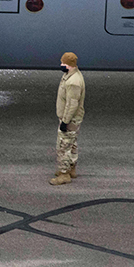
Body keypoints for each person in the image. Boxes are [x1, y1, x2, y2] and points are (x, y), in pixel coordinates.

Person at [51, 52, 86, 186]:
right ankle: (71, 169)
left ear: (69, 65)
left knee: (63, 146)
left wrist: (65, 121)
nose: (61, 65)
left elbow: (72, 104)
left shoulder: (73, 82)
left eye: (63, 63)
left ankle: (63, 173)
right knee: (72, 144)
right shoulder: (71, 76)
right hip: (73, 119)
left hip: (70, 119)